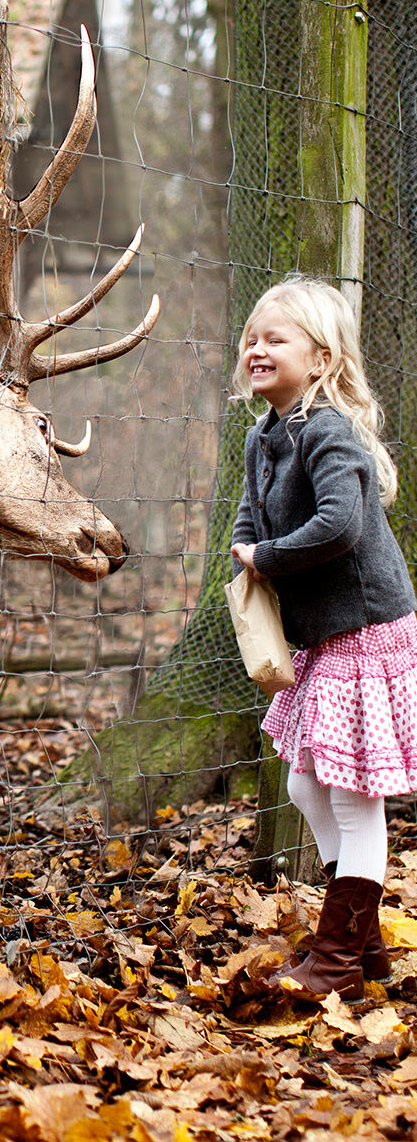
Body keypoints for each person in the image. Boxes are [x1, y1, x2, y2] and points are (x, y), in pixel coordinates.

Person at [230, 276, 417, 1002]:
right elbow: (249, 517)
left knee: (351, 796)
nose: (257, 348)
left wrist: (269, 558)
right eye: (252, 337)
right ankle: (363, 944)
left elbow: (341, 525)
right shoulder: (263, 435)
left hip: (366, 628)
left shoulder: (328, 428)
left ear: (321, 357)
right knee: (307, 782)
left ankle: (337, 956)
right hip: (321, 634)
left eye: (276, 338)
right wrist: (247, 554)